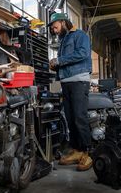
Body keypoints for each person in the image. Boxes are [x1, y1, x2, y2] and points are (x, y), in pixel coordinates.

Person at [48, 12, 92, 171]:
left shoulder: (80, 35)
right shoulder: (63, 41)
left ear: (63, 22)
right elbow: (65, 62)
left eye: (55, 26)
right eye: (53, 28)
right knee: (71, 118)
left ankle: (87, 152)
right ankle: (76, 150)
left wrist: (60, 60)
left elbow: (82, 53)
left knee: (80, 117)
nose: (54, 30)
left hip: (79, 81)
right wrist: (56, 66)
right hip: (66, 83)